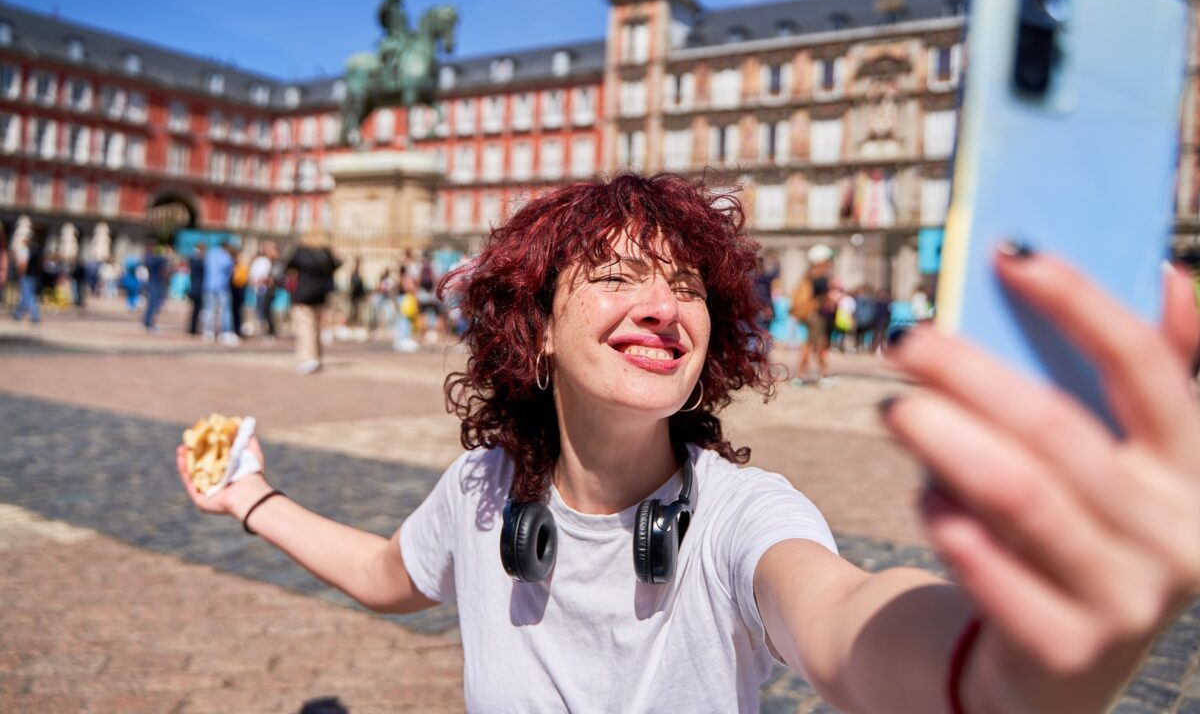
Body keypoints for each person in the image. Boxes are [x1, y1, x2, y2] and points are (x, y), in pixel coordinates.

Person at [177, 173, 1200, 713]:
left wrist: (1003, 668)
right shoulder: (485, 488)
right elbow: (385, 570)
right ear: (533, 333)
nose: (663, 305)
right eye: (617, 276)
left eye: (687, 285)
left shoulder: (740, 516)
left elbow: (849, 616)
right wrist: (250, 497)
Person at [285, 230, 341, 374]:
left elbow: (288, 266)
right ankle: (316, 357)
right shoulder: (326, 253)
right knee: (316, 327)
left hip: (304, 293)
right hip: (322, 293)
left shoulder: (301, 252)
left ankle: (308, 358)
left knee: (305, 327)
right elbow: (337, 265)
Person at [790, 243, 835, 387]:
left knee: (810, 345)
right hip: (816, 316)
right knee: (815, 345)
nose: (829, 263)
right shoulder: (820, 277)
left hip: (810, 315)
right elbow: (825, 298)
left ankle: (803, 376)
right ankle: (820, 375)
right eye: (827, 260)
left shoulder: (808, 276)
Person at [203, 240, 238, 345]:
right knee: (225, 310)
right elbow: (231, 268)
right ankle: (225, 332)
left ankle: (208, 331)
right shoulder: (225, 256)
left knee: (209, 309)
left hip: (208, 285)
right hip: (222, 286)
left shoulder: (210, 254)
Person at [248, 242, 279, 339]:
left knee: (265, 310)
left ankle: (268, 330)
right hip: (262, 289)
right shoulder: (263, 261)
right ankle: (266, 329)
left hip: (266, 290)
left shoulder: (271, 262)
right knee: (262, 310)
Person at [11, 231, 42, 324]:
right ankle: (18, 313)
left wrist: (20, 274)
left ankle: (34, 314)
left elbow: (24, 263)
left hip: (27, 275)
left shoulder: (27, 250)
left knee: (27, 295)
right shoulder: (37, 250)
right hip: (35, 275)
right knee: (28, 295)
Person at [142, 239, 170, 333]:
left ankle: (148, 321)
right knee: (153, 305)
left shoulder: (153, 257)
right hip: (154, 283)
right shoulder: (150, 258)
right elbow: (163, 260)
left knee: (155, 305)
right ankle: (149, 322)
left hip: (156, 283)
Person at [187, 243, 206, 336]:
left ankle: (193, 328)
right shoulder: (198, 261)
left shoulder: (193, 260)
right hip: (198, 288)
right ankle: (193, 329)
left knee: (195, 310)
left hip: (194, 287)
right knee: (197, 310)